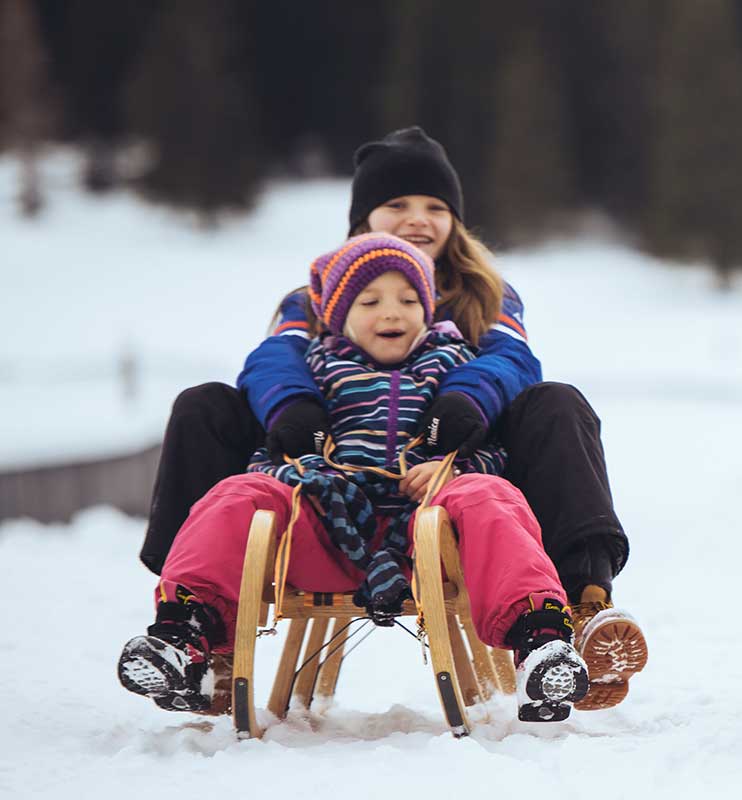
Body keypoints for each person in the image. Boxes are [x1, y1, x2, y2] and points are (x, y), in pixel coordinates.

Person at [139, 127, 646, 708]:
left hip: (456, 461)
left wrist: (463, 405)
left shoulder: (485, 293)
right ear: (363, 219)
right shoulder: (316, 295)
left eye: (436, 207)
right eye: (398, 204)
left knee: (558, 402)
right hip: (324, 457)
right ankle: (195, 631)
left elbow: (511, 358)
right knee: (203, 404)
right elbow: (275, 357)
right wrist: (294, 409)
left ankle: (580, 606)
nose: (418, 219)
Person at [117, 234, 591, 722]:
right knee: (241, 491)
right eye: (370, 302)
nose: (392, 313)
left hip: (431, 544)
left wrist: (451, 469)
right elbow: (269, 453)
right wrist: (306, 473)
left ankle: (540, 641)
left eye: (409, 301)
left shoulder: (454, 366)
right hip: (324, 533)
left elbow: (493, 449)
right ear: (337, 316)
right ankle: (183, 633)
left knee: (488, 493)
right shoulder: (312, 372)